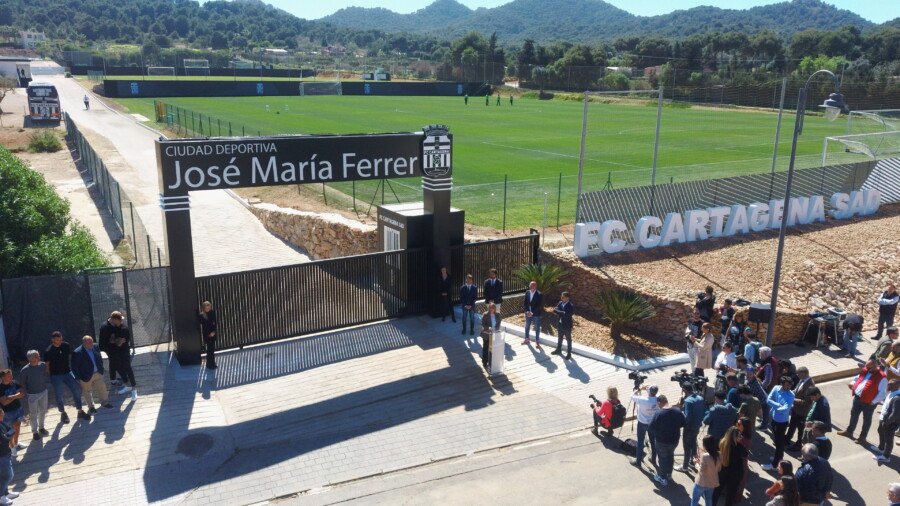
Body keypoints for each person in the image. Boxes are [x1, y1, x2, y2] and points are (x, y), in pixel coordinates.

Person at [837, 359, 888, 445]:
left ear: (875, 366)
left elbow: (882, 393)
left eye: (869, 368)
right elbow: (858, 378)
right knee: (854, 415)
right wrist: (853, 383)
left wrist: (873, 401)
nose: (867, 369)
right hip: (858, 398)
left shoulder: (882, 377)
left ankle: (862, 438)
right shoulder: (866, 370)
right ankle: (849, 431)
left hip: (869, 402)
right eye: (867, 367)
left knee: (866, 420)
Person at [43, 331, 88, 422]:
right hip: (56, 375)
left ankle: (80, 411)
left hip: (67, 373)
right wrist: (50, 375)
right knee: (59, 394)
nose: (59, 341)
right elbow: (47, 365)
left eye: (60, 339)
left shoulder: (66, 345)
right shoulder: (48, 351)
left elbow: (70, 357)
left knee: (77, 389)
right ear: (52, 340)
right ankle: (63, 413)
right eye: (57, 340)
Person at [99, 311, 137, 398]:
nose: (121, 320)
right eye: (120, 319)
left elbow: (118, 343)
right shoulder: (110, 327)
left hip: (123, 351)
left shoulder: (123, 329)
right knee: (117, 365)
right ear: (114, 319)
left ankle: (134, 388)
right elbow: (112, 340)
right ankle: (125, 384)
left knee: (127, 367)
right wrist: (116, 340)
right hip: (113, 349)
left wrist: (116, 340)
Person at [649, 395, 684, 486]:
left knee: (662, 459)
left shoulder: (658, 413)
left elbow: (651, 427)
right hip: (674, 440)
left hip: (662, 441)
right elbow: (683, 423)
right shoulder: (677, 411)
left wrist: (657, 434)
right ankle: (669, 474)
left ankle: (663, 478)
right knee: (670, 456)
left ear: (659, 403)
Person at [71, 336, 112, 414]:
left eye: (92, 342)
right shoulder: (77, 352)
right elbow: (74, 367)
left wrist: (101, 368)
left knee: (102, 388)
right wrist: (79, 378)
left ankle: (105, 403)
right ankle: (91, 407)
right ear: (84, 343)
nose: (91, 344)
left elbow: (99, 357)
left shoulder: (95, 346)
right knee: (87, 392)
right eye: (89, 343)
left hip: (98, 373)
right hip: (85, 376)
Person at [762, 376, 795, 471]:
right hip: (774, 419)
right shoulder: (776, 388)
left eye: (790, 385)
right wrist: (778, 405)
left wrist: (775, 406)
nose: (788, 387)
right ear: (782, 384)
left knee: (779, 443)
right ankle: (780, 458)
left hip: (782, 422)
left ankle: (774, 465)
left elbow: (785, 409)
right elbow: (768, 400)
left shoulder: (791, 395)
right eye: (787, 385)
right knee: (777, 441)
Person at [712, 426, 747, 506]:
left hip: (722, 471)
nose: (741, 437)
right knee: (730, 495)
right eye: (739, 436)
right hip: (735, 474)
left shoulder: (721, 443)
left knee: (717, 491)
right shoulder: (739, 447)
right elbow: (745, 454)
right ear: (734, 438)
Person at [20, 351, 49, 441]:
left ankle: (41, 428)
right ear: (31, 358)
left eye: (38, 355)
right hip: (32, 395)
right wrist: (25, 395)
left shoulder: (42, 365)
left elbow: (46, 373)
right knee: (33, 414)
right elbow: (22, 383)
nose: (39, 357)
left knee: (43, 411)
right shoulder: (25, 370)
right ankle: (35, 432)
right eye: (37, 356)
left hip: (43, 392)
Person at [629, 384, 660, 468]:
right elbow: (655, 393)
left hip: (642, 423)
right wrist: (646, 389)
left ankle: (638, 461)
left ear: (649, 392)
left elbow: (631, 396)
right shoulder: (659, 399)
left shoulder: (643, 399)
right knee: (653, 441)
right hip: (653, 423)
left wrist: (639, 389)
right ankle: (653, 459)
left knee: (640, 441)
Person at [679, 384, 707, 472]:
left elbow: (687, 417)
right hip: (697, 426)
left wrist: (680, 414)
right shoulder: (700, 398)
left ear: (684, 390)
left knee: (687, 447)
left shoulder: (688, 401)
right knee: (693, 443)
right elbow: (704, 411)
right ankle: (693, 461)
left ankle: (685, 466)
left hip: (689, 427)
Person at [785, 367, 815, 449]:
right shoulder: (802, 380)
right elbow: (797, 389)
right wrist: (790, 392)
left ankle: (798, 444)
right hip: (796, 409)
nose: (797, 375)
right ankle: (787, 438)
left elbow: (807, 402)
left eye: (798, 374)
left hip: (802, 412)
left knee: (800, 429)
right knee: (792, 425)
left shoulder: (810, 385)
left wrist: (793, 399)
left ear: (804, 373)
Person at [873, 378, 900, 463]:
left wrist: (887, 422)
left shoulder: (897, 398)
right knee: (880, 431)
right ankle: (881, 448)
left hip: (890, 422)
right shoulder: (891, 392)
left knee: (889, 439)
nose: (888, 385)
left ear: (897, 386)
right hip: (884, 419)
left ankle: (886, 457)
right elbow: (887, 405)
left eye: (891, 384)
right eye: (888, 384)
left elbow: (895, 414)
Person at [691, 435, 721, 506]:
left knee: (695, 500)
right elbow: (719, 469)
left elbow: (701, 471)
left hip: (701, 482)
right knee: (708, 499)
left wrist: (696, 463)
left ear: (705, 445)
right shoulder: (719, 454)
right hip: (712, 482)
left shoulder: (705, 456)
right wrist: (700, 463)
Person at [0, 372, 24, 458]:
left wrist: (10, 397)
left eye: (11, 375)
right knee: (10, 431)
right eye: (9, 376)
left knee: (17, 427)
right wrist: (16, 395)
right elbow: (4, 403)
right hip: (7, 413)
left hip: (18, 409)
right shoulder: (0, 388)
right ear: (3, 378)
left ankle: (16, 443)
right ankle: (12, 447)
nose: (11, 377)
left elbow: (22, 394)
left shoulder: (15, 382)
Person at [0, 409, 18, 505]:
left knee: (3, 475)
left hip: (6, 452)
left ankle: (5, 493)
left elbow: (11, 430)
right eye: (2, 414)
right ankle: (1, 496)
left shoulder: (1, 423)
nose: (3, 416)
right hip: (1, 455)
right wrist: (8, 434)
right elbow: (5, 438)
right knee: (8, 475)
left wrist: (7, 435)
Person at [552, 291, 574, 360]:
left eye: (563, 297)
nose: (561, 298)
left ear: (567, 298)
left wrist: (559, 312)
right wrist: (561, 312)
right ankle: (558, 349)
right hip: (560, 324)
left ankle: (569, 353)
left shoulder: (570, 306)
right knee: (560, 338)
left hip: (567, 325)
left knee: (568, 339)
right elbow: (554, 310)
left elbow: (566, 315)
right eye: (561, 297)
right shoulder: (560, 303)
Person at [480, 303, 501, 370]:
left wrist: (496, 329)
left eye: (493, 308)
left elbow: (498, 323)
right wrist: (488, 328)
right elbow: (483, 324)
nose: (491, 309)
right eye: (490, 308)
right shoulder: (485, 314)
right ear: (489, 308)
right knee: (486, 348)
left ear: (495, 308)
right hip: (487, 334)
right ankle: (484, 362)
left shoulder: (498, 314)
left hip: (494, 334)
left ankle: (492, 362)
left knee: (493, 349)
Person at [522, 281, 543, 347]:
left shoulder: (539, 294)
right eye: (530, 285)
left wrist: (532, 312)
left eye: (533, 285)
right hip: (528, 313)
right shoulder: (527, 292)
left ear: (536, 286)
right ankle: (527, 339)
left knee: (537, 327)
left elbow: (539, 306)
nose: (531, 286)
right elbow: (525, 303)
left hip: (536, 314)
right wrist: (527, 311)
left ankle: (537, 341)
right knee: (527, 326)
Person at [198, 301, 218, 370]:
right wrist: (209, 334)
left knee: (212, 349)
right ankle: (210, 364)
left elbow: (215, 323)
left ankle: (212, 363)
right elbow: (203, 325)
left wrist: (214, 332)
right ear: (204, 308)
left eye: (209, 307)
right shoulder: (201, 315)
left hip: (213, 333)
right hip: (207, 334)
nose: (208, 309)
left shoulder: (212, 312)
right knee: (209, 350)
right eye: (206, 308)